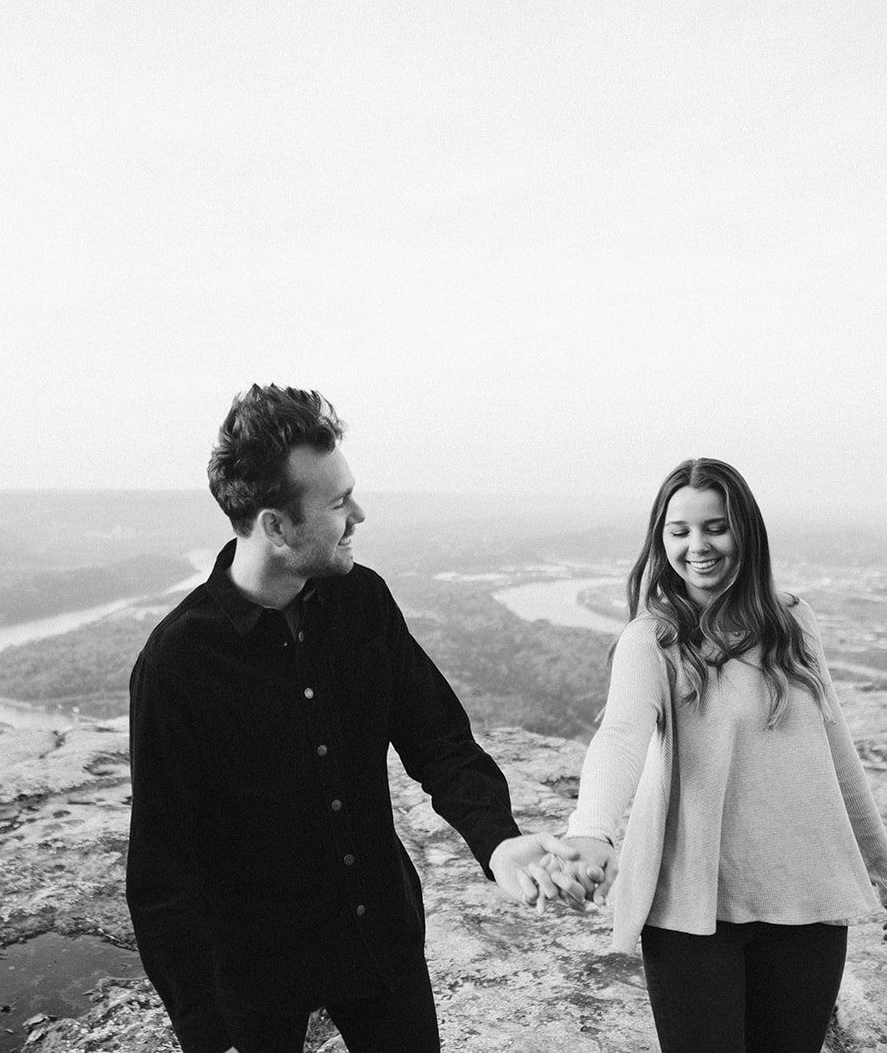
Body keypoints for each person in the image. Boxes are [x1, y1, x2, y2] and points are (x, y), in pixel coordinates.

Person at [125, 384, 574, 1053]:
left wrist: (498, 840)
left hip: (376, 934)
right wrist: (205, 1033)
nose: (358, 514)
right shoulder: (176, 664)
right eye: (337, 503)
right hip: (253, 968)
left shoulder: (363, 601)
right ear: (275, 526)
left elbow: (440, 739)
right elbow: (162, 875)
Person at [550, 458, 887, 1053]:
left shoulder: (794, 620)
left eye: (715, 526)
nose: (697, 546)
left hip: (803, 897)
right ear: (661, 540)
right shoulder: (653, 638)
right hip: (692, 907)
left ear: (745, 530)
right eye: (679, 531)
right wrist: (592, 829)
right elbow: (621, 734)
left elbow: (835, 750)